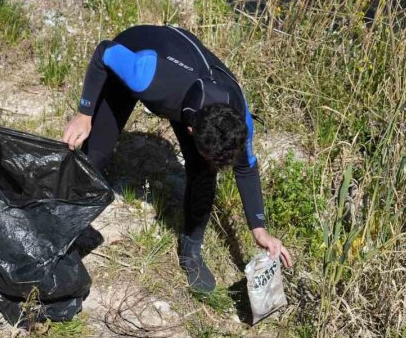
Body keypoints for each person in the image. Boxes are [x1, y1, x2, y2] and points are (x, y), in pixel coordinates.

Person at [62, 25, 291, 293]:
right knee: (95, 154)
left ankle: (191, 251)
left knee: (203, 173)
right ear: (190, 131)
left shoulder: (238, 118)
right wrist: (84, 115)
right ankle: (65, 222)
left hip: (191, 73)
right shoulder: (149, 76)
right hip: (138, 50)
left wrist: (259, 230)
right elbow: (105, 51)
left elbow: (247, 169)